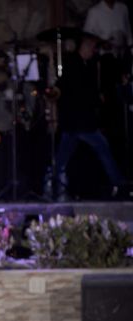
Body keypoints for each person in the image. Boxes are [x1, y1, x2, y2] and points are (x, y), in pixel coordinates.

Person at [53, 32, 126, 200]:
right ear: (84, 47)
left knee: (64, 156)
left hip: (77, 121)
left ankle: (54, 186)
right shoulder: (73, 65)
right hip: (78, 120)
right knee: (102, 148)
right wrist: (96, 98)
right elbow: (78, 92)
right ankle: (118, 183)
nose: (94, 51)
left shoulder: (87, 64)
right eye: (92, 48)